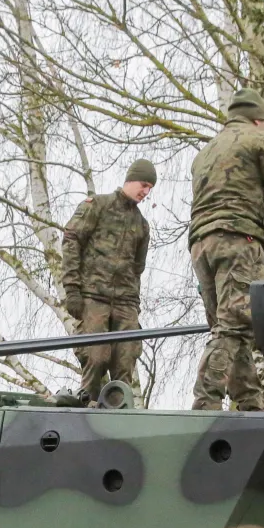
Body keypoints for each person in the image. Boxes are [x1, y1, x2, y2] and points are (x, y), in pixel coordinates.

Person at [188, 88, 264, 411]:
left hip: (200, 245)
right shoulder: (259, 139)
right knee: (236, 321)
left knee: (227, 325)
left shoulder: (205, 152)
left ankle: (249, 401)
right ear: (259, 119)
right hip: (239, 239)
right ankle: (206, 399)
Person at [61, 159, 154, 402]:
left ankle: (118, 416)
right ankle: (85, 408)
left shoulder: (142, 225)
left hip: (125, 302)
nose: (146, 192)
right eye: (144, 185)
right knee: (96, 357)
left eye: (150, 188)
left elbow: (137, 268)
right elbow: (72, 241)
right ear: (130, 179)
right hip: (93, 296)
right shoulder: (98, 205)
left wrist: (134, 305)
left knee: (125, 361)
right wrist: (72, 289)